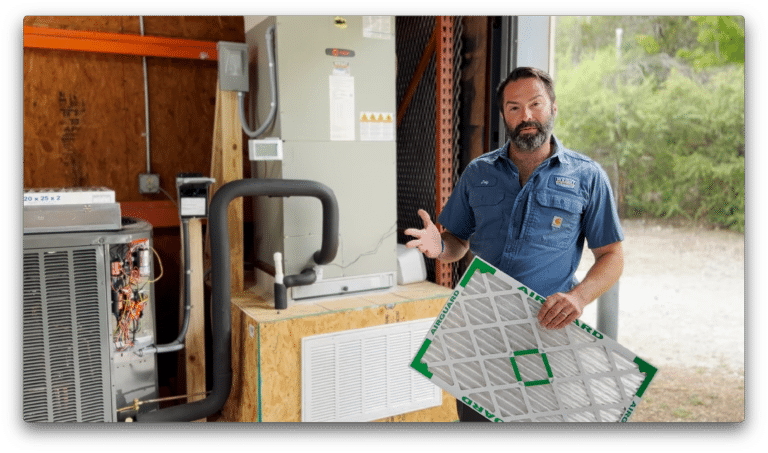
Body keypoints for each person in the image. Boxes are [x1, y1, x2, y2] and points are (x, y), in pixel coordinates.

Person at [405, 67, 624, 422]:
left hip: (547, 330)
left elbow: (612, 256)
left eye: (535, 104)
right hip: (480, 330)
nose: (526, 116)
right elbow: (457, 241)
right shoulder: (479, 172)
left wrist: (578, 298)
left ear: (553, 108)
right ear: (504, 115)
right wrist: (439, 247)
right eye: (514, 108)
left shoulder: (587, 176)